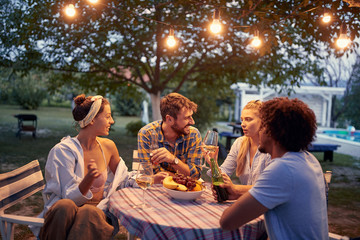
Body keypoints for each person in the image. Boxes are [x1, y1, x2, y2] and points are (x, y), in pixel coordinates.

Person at [32, 94, 166, 240]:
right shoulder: (62, 151)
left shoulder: (108, 147)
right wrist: (88, 179)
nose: (112, 121)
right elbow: (69, 198)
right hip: (64, 215)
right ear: (92, 119)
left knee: (89, 212)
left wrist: (152, 179)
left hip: (99, 213)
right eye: (108, 116)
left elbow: (123, 178)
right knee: (64, 206)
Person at [220, 97, 329, 239]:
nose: (259, 132)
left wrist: (236, 190)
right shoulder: (309, 160)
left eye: (263, 126)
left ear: (273, 132)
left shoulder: (282, 169)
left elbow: (227, 221)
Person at [206, 100, 271, 194]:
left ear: (263, 121)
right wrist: (213, 163)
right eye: (242, 119)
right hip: (249, 201)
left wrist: (235, 189)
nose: (243, 124)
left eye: (248, 119)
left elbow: (269, 187)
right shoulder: (240, 143)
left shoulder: (271, 148)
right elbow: (223, 174)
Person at [137, 92, 202, 179]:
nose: (192, 122)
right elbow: (152, 173)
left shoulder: (193, 134)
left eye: (191, 116)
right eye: (187, 118)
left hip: (186, 190)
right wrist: (184, 175)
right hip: (157, 189)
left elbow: (195, 175)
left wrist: (173, 160)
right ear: (170, 119)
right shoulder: (146, 134)